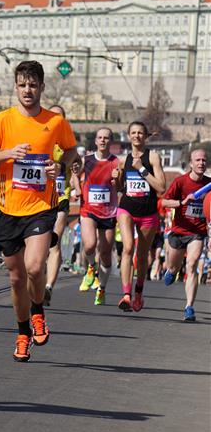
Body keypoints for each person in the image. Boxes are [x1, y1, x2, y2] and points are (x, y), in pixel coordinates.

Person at [0, 61, 78, 362]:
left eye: (33, 85)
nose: (27, 90)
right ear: (15, 87)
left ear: (42, 88)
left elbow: (71, 151)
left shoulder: (55, 122)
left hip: (41, 207)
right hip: (8, 208)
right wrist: (8, 153)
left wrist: (58, 165)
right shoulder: (3, 120)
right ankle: (23, 333)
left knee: (35, 268)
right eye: (22, 85)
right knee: (16, 278)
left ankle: (37, 311)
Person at [116, 121, 166, 312]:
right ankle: (126, 295)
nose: (137, 136)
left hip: (148, 212)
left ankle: (138, 292)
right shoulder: (123, 160)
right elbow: (119, 188)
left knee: (143, 256)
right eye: (133, 133)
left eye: (140, 133)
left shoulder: (153, 157)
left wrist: (142, 169)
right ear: (129, 136)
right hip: (127, 208)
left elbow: (161, 188)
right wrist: (116, 178)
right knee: (128, 248)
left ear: (145, 136)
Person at [161, 149, 210, 321]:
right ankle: (171, 270)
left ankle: (189, 307)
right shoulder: (180, 182)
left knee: (192, 264)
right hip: (179, 231)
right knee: (173, 267)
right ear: (190, 163)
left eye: (204, 160)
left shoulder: (209, 184)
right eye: (197, 160)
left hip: (198, 232)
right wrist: (182, 202)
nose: (201, 163)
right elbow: (164, 201)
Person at [43, 105, 80, 305]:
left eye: (60, 117)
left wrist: (75, 168)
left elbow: (78, 163)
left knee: (54, 242)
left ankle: (49, 287)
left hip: (60, 197)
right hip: (39, 199)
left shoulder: (68, 143)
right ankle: (37, 278)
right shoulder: (41, 137)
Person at [78, 128, 119, 305]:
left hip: (108, 212)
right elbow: (74, 176)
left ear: (111, 141)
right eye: (100, 137)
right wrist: (76, 189)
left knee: (105, 254)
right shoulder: (86, 160)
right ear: (95, 141)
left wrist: (117, 179)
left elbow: (120, 188)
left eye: (106, 138)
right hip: (88, 209)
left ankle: (102, 288)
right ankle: (90, 269)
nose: (102, 140)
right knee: (89, 245)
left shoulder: (116, 162)